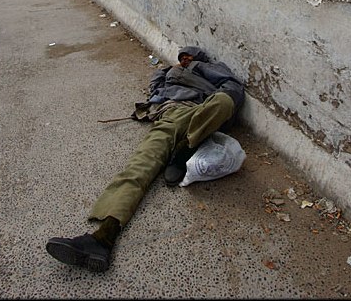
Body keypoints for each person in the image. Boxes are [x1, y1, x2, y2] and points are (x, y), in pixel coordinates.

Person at [45, 46, 245, 272]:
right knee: (140, 165)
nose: (184, 60)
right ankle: (102, 239)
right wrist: (170, 70)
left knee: (225, 102)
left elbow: (233, 89)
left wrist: (198, 70)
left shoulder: (210, 69)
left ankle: (185, 150)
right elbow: (155, 86)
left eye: (188, 56)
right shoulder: (170, 73)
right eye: (181, 57)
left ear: (199, 57)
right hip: (170, 114)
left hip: (203, 112)